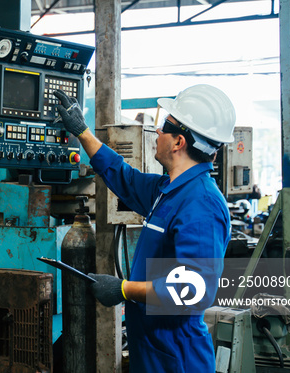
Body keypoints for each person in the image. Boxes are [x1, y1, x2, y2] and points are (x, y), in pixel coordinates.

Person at [54, 84, 235, 372]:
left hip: (177, 356)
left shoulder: (200, 204)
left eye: (165, 125)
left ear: (179, 142)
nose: (157, 132)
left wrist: (123, 289)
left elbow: (193, 291)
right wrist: (82, 131)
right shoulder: (169, 190)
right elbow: (122, 176)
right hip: (153, 348)